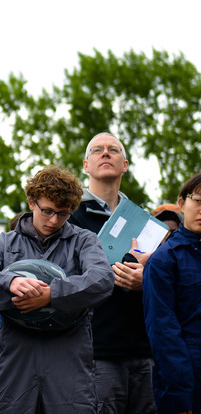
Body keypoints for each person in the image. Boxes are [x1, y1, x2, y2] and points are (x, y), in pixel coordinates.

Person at [0, 165, 115, 413]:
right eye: (47, 211)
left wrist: (51, 295)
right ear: (31, 202)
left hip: (69, 356)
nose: (54, 220)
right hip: (17, 357)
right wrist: (9, 282)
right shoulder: (4, 243)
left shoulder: (84, 240)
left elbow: (102, 280)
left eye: (63, 214)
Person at [68, 132, 157, 413]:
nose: (105, 153)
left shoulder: (144, 220)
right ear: (85, 165)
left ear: (125, 164)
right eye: (97, 150)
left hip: (145, 351)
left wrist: (147, 281)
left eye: (113, 150)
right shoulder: (69, 217)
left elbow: (164, 281)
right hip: (96, 352)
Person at [143, 172, 201, 413]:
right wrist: (179, 396)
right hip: (187, 383)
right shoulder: (164, 260)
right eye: (198, 200)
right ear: (182, 203)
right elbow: (163, 331)